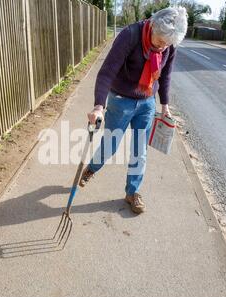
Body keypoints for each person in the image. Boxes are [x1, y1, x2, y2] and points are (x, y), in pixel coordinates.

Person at [80, 7, 188, 214]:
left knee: (140, 151)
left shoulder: (168, 44)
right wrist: (98, 106)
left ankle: (132, 192)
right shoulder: (130, 35)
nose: (162, 47)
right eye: (160, 41)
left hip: (147, 102)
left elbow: (165, 76)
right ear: (153, 25)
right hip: (121, 100)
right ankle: (91, 169)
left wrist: (164, 105)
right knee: (110, 146)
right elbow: (107, 72)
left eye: (168, 44)